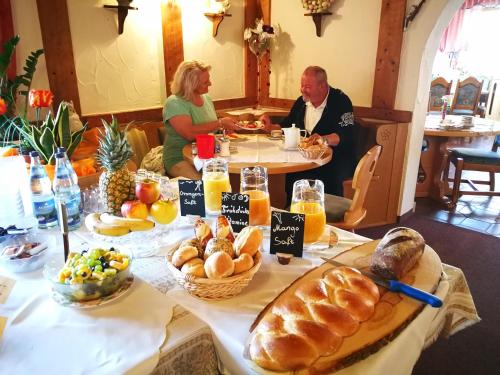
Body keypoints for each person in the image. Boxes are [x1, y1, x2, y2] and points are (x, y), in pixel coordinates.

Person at [260, 66, 357, 198]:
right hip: (304, 158)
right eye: (302, 86)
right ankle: (294, 210)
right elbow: (287, 125)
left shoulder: (341, 101)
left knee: (324, 177)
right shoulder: (302, 102)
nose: (302, 90)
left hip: (335, 159)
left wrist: (322, 139)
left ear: (322, 86)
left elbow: (345, 134)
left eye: (307, 87)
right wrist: (270, 127)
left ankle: (326, 213)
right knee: (294, 174)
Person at [163, 60, 239, 179]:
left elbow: (209, 129)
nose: (210, 83)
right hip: (181, 158)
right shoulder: (174, 103)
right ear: (190, 84)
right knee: (203, 184)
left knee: (228, 179)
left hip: (207, 155)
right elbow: (189, 133)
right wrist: (219, 123)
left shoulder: (206, 98)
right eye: (205, 82)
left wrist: (222, 130)